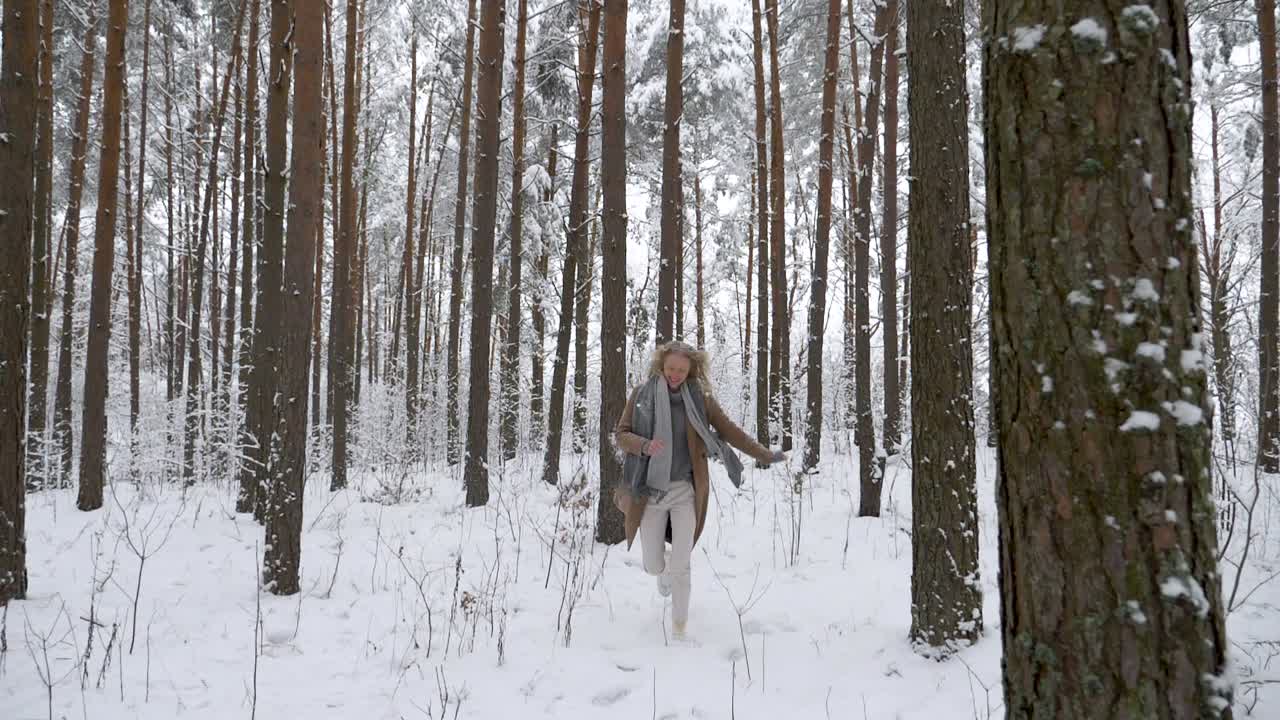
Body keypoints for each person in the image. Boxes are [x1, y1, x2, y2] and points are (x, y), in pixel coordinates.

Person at [613, 340, 784, 641]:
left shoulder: (701, 400)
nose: (675, 375)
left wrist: (764, 454)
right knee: (654, 565)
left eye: (681, 369)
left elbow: (731, 431)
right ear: (661, 366)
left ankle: (679, 627)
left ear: (692, 369)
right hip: (650, 491)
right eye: (670, 369)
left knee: (682, 563)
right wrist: (643, 446)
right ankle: (662, 571)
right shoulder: (641, 395)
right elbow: (622, 434)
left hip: (685, 492)